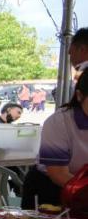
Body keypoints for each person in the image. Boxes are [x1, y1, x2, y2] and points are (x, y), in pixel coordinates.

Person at [22, 70, 88, 209]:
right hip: (51, 188)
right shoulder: (60, 122)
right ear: (79, 96)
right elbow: (58, 174)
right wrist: (83, 192)